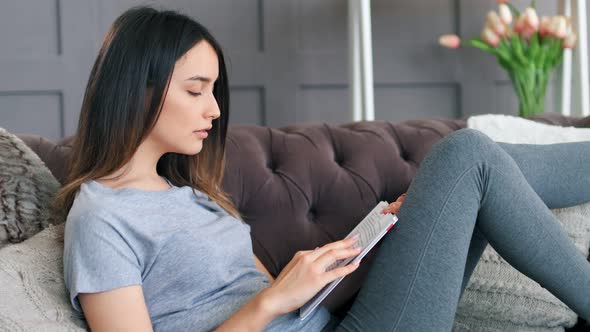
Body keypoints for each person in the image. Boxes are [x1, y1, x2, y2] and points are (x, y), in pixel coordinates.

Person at [52, 6, 590, 332]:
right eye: (196, 90)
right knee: (464, 151)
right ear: (136, 90)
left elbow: (293, 308)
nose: (214, 110)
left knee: (469, 167)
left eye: (213, 91)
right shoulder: (102, 220)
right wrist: (273, 299)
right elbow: (271, 307)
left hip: (343, 322)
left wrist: (370, 243)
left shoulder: (189, 193)